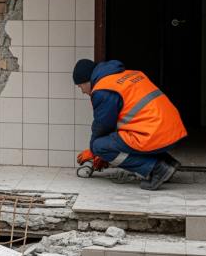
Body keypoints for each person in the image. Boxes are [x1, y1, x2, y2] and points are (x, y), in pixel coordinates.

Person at [72, 59, 185, 190]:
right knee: (120, 138)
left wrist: (95, 151)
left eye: (80, 87)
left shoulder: (102, 90)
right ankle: (168, 162)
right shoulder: (128, 75)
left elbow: (102, 125)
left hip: (154, 131)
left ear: (87, 81)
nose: (83, 91)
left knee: (99, 146)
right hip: (171, 128)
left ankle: (157, 168)